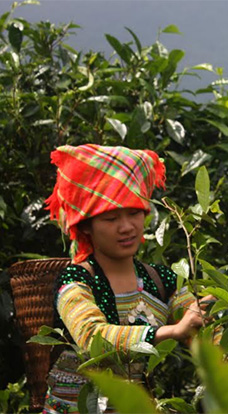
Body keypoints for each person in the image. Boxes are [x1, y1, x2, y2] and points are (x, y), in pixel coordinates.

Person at [42, 144, 211, 414]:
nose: (126, 227)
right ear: (86, 226)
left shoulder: (161, 279)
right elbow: (92, 337)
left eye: (134, 213)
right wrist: (170, 332)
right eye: (111, 218)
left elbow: (195, 322)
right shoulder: (75, 280)